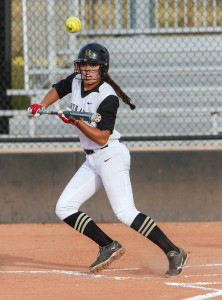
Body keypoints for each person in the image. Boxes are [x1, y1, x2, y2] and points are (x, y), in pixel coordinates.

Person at [28, 42, 188, 277]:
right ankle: (108, 245)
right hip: (91, 160)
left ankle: (174, 252)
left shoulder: (108, 97)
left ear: (103, 69)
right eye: (84, 64)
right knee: (64, 207)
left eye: (93, 65)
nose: (87, 69)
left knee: (125, 212)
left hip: (111, 155)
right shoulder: (75, 80)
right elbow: (58, 89)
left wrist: (76, 121)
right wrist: (41, 106)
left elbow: (102, 138)